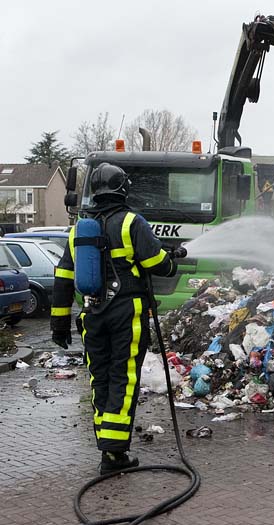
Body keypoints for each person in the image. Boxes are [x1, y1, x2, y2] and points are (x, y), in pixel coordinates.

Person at [50, 163, 184, 474]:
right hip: (126, 311)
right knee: (124, 377)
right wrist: (171, 259)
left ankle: (107, 445)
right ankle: (113, 454)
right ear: (123, 188)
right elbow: (156, 263)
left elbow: (63, 278)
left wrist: (59, 323)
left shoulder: (79, 230)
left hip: (92, 314)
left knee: (101, 378)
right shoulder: (131, 222)